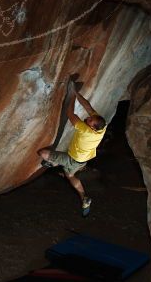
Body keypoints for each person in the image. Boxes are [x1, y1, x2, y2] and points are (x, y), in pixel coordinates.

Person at [37, 79, 107, 217]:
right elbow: (88, 107)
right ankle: (84, 198)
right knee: (70, 175)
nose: (87, 119)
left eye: (89, 121)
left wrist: (71, 96)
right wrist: (77, 92)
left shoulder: (85, 129)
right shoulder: (101, 127)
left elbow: (70, 114)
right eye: (89, 119)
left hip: (73, 159)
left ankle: (52, 162)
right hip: (82, 160)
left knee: (42, 153)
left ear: (92, 127)